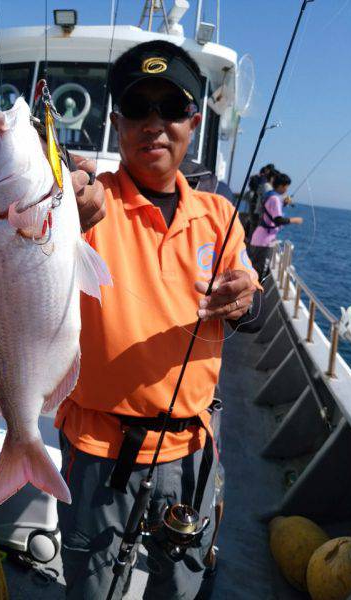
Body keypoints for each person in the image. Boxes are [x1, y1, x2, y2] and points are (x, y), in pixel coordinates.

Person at [55, 40, 261, 600]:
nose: (155, 124)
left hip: (191, 452)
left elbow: (251, 310)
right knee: (90, 590)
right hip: (97, 450)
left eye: (170, 108)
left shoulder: (219, 216)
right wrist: (60, 211)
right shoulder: (89, 204)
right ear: (116, 121)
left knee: (183, 589)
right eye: (138, 107)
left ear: (193, 122)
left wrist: (244, 301)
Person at [249, 172, 303, 281]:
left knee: (254, 269)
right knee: (260, 273)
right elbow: (278, 220)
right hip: (264, 241)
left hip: (259, 238)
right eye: (286, 186)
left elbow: (271, 210)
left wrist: (284, 204)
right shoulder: (275, 199)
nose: (286, 190)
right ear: (281, 185)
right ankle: (253, 296)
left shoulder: (270, 195)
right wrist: (295, 220)